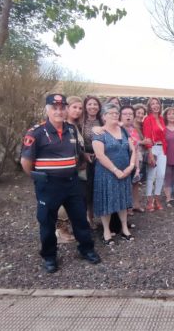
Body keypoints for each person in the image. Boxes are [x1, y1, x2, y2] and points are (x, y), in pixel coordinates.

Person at [20, 94, 101, 273]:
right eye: (54, 107)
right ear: (47, 109)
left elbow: (77, 151)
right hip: (48, 185)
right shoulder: (36, 132)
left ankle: (86, 249)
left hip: (71, 183)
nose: (58, 111)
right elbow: (26, 161)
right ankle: (49, 257)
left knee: (80, 219)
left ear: (65, 109)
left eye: (61, 107)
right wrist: (36, 176)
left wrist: (80, 159)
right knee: (47, 222)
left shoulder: (71, 130)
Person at [93, 104, 136, 245]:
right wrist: (115, 170)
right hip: (107, 173)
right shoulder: (99, 133)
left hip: (124, 172)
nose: (114, 115)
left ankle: (124, 228)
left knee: (123, 201)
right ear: (104, 116)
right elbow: (99, 155)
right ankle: (106, 231)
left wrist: (131, 166)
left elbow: (133, 149)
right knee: (107, 201)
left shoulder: (123, 130)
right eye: (110, 113)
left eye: (116, 113)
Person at [52, 96, 85, 244]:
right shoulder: (61, 125)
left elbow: (77, 147)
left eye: (79, 108)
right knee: (61, 201)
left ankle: (68, 228)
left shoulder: (74, 126)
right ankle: (60, 231)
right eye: (74, 107)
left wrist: (85, 155)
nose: (77, 111)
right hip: (63, 170)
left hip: (76, 168)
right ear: (67, 108)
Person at [81, 96, 103, 228]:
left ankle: (94, 216)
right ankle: (87, 218)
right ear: (85, 106)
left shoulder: (102, 121)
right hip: (86, 159)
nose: (93, 106)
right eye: (90, 104)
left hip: (101, 159)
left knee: (97, 188)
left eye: (95, 104)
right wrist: (84, 154)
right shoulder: (80, 123)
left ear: (99, 107)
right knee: (86, 189)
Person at [142, 97, 167, 211]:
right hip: (153, 148)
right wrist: (150, 153)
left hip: (162, 149)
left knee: (161, 175)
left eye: (157, 103)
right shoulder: (148, 119)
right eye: (153, 104)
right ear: (149, 107)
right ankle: (149, 200)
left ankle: (157, 198)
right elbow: (147, 137)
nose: (155, 105)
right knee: (151, 175)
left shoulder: (162, 119)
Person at [121, 105, 143, 216]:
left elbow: (137, 149)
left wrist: (137, 167)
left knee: (135, 183)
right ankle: (126, 207)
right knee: (125, 186)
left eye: (130, 114)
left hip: (134, 160)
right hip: (122, 162)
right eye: (125, 114)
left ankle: (135, 204)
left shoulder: (134, 130)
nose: (128, 116)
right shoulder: (118, 129)